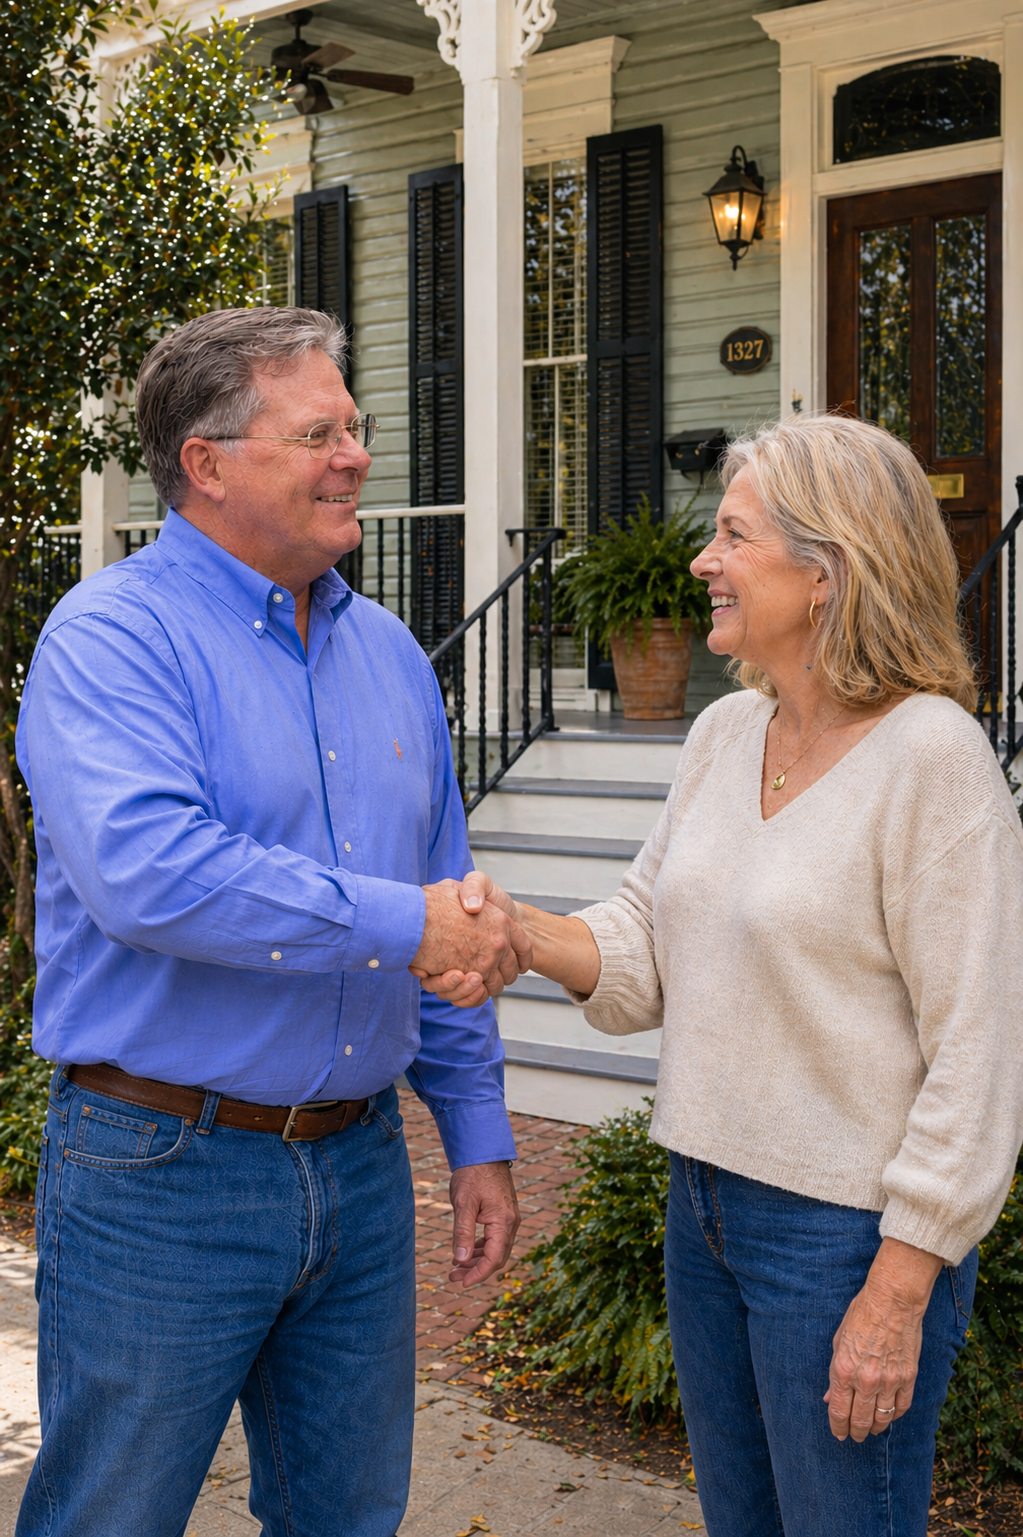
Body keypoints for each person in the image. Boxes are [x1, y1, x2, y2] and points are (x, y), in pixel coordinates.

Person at [416, 414, 1023, 1537]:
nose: (704, 560)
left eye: (734, 536)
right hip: (702, 1208)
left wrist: (898, 1291)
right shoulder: (726, 731)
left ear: (829, 571)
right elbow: (648, 945)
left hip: (844, 1238)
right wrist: (514, 930)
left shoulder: (934, 759)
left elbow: (978, 1061)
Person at [15, 306, 532, 1537]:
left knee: (351, 1517)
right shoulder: (112, 638)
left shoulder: (397, 654)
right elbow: (154, 873)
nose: (357, 454)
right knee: (109, 1517)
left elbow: (446, 904)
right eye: (319, 433)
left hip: (358, 1174)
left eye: (356, 427)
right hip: (163, 1175)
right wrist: (407, 925)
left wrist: (475, 1129)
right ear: (209, 463)